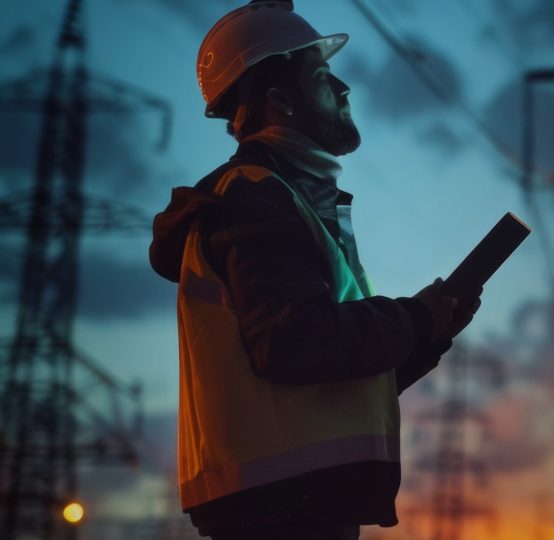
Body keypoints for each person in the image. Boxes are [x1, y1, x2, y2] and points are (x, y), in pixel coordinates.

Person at [149, 1, 482, 538]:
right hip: (279, 514)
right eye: (322, 75)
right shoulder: (257, 196)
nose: (344, 88)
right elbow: (293, 344)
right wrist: (412, 318)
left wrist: (427, 330)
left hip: (287, 504)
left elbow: (329, 383)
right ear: (279, 99)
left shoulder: (281, 196)